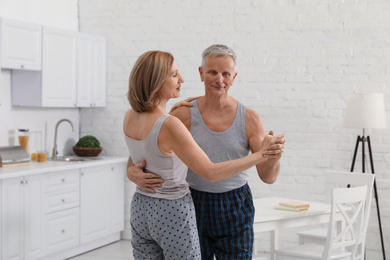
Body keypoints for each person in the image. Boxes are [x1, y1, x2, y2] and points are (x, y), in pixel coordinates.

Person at [124, 50, 284, 260]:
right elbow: (149, 148)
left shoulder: (250, 118)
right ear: (201, 73)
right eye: (212, 72)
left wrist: (271, 157)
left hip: (234, 204)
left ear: (234, 77)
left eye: (226, 73)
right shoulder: (180, 115)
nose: (219, 79)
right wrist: (131, 172)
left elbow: (268, 177)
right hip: (194, 200)